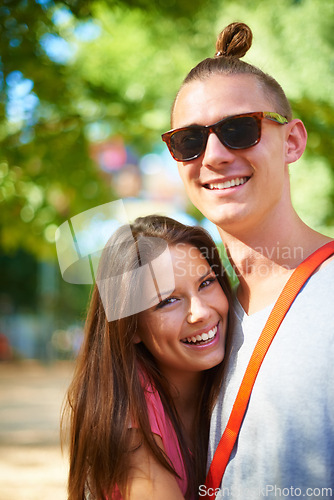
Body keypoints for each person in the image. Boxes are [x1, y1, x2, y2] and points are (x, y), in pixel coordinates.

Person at [162, 22, 334, 499]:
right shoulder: (185, 319)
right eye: (189, 141)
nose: (213, 157)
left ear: (293, 142)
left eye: (239, 129)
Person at [62, 214, 232, 500]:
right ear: (131, 328)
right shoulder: (132, 419)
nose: (200, 312)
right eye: (168, 301)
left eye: (206, 283)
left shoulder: (229, 377)